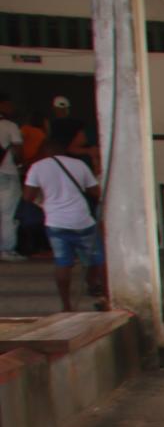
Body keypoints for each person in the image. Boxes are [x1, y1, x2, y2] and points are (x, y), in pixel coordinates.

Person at [22, 119, 104, 311]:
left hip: (56, 222)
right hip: (82, 219)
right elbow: (95, 192)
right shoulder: (78, 165)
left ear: (45, 152)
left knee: (62, 263)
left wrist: (43, 202)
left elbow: (27, 197)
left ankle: (66, 305)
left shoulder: (38, 168)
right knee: (96, 259)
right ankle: (95, 286)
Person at [0, 93, 25, 262]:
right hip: (6, 173)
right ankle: (7, 250)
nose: (12, 108)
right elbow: (17, 151)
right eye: (9, 104)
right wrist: (21, 166)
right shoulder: (10, 126)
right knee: (7, 213)